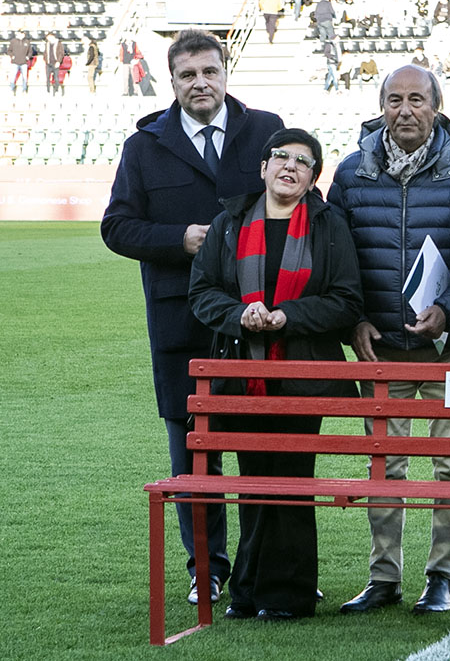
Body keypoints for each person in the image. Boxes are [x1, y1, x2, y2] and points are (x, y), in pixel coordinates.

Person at [101, 29, 285, 608]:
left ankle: (264, 572)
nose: (200, 83)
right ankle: (205, 569)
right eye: (188, 75)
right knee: (191, 455)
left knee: (262, 450)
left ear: (225, 73)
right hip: (180, 323)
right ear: (172, 81)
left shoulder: (267, 130)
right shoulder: (144, 146)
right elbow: (116, 227)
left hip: (257, 317)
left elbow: (299, 205)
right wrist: (180, 239)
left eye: (209, 71)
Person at [328, 65, 450, 616]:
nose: (405, 110)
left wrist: (448, 310)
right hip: (381, 349)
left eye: (416, 99)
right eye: (394, 99)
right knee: (385, 464)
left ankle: (441, 576)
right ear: (381, 107)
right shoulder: (351, 174)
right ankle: (383, 577)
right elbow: (336, 258)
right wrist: (353, 321)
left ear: (436, 107)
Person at [188, 128, 363, 621]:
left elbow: (346, 300)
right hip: (241, 373)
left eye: (303, 162)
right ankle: (249, 591)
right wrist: (238, 315)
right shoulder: (229, 222)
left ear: (313, 177)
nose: (290, 166)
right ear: (264, 167)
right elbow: (202, 292)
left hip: (303, 376)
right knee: (253, 480)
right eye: (281, 156)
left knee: (290, 479)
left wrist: (288, 316)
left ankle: (287, 594)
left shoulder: (329, 225)